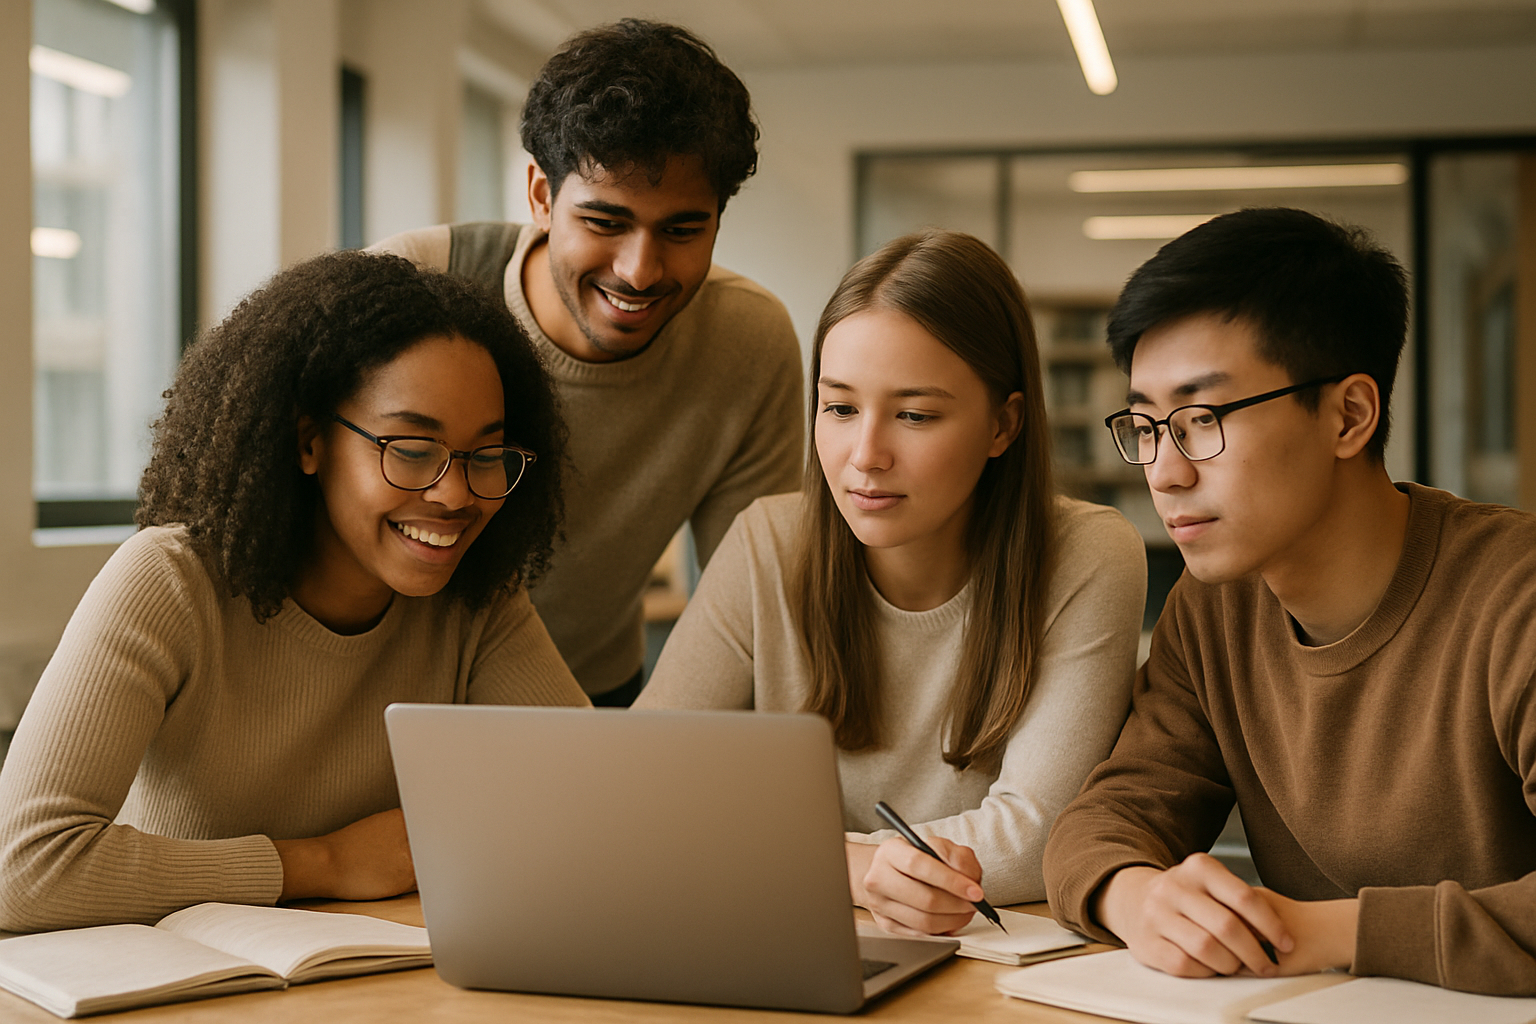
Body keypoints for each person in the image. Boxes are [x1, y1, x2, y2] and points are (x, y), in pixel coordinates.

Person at [0, 251, 589, 932]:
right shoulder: (168, 582)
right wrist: (324, 863)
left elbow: (591, 809)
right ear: (310, 442)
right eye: (410, 449)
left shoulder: (479, 598)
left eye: (485, 455)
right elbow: (22, 870)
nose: (455, 495)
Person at [1042, 207, 1536, 996]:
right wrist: (1135, 896)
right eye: (1144, 424)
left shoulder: (1515, 598)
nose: (1163, 472)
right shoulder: (1213, 610)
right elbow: (1109, 818)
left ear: (1349, 415)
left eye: (1201, 419)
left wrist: (1318, 931)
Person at [636, 230, 1146, 935]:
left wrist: (767, 854)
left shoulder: (1088, 553)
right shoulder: (770, 540)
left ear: (1004, 424)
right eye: (840, 408)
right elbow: (638, 791)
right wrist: (847, 870)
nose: (865, 457)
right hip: (792, 937)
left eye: (914, 415)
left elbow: (1037, 839)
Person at [373, 19, 803, 706]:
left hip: (595, 697)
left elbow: (757, 605)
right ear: (542, 197)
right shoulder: (414, 284)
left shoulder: (750, 341)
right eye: (605, 222)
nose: (639, 271)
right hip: (392, 695)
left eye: (682, 230)